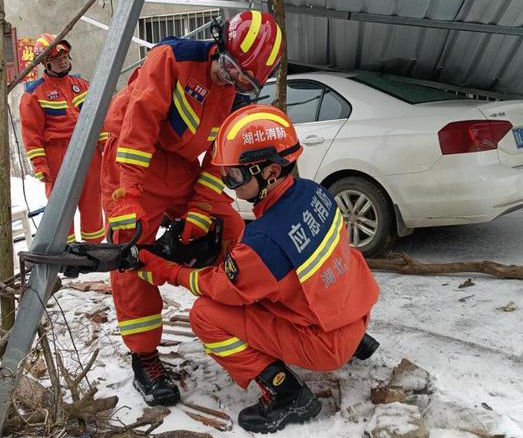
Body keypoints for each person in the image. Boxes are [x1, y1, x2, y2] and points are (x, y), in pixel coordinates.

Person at [132, 104, 381, 433]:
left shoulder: (264, 242)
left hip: (326, 345)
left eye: (234, 175)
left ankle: (287, 394)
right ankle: (357, 341)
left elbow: (222, 288)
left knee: (205, 315)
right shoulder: (315, 192)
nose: (229, 185)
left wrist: (168, 270)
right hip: (356, 314)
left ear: (271, 172)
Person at [102, 10, 284, 407]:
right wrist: (128, 196)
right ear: (219, 46)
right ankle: (144, 356)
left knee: (231, 225)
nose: (234, 81)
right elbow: (139, 129)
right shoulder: (173, 59)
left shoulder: (236, 97)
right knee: (132, 250)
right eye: (232, 69)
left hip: (180, 165)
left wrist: (201, 211)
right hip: (133, 157)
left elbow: (220, 159)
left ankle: (245, 319)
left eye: (246, 80)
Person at [19, 33, 106, 244]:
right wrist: (40, 165)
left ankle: (93, 248)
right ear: (45, 63)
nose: (63, 60)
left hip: (88, 150)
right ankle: (64, 250)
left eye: (65, 56)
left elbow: (99, 120)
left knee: (92, 199)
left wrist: (106, 148)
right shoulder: (34, 94)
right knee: (61, 205)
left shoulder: (83, 85)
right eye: (57, 58)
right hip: (58, 154)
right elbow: (32, 135)